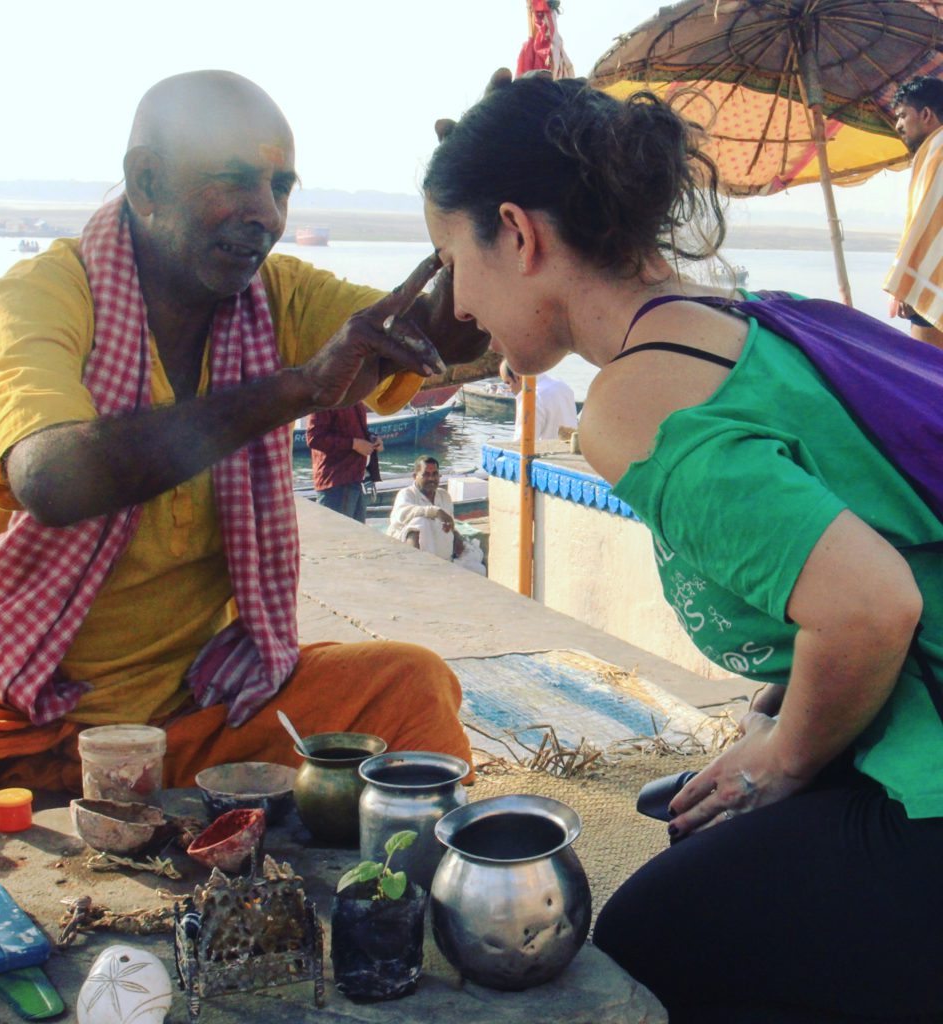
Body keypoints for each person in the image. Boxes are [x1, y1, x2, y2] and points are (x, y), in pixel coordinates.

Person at [423, 71, 943, 1022]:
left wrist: (782, 759)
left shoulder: (636, 402)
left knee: (646, 947)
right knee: (696, 840)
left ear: (519, 233)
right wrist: (789, 701)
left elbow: (873, 606)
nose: (455, 306)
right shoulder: (748, 320)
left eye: (451, 258)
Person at [0, 70, 488, 826]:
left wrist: (475, 209)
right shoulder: (39, 296)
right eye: (235, 181)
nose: (266, 215)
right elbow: (52, 478)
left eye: (281, 187)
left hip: (188, 711)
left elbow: (441, 335)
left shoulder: (276, 297)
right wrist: (293, 391)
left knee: (408, 688)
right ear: (145, 181)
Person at [885, 75, 943, 350]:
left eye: (902, 116)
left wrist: (909, 283)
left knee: (927, 378)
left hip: (935, 283)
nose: (898, 125)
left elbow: (924, 222)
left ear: (926, 114)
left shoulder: (935, 152)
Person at [387, 456, 485, 575]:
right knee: (420, 521)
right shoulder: (407, 494)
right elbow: (402, 514)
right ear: (415, 476)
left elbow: (450, 524)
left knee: (478, 569)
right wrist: (436, 511)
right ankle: (415, 568)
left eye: (434, 474)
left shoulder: (444, 496)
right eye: (426, 475)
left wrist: (456, 536)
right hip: (411, 558)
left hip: (444, 557)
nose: (431, 478)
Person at [306, 403, 383, 523]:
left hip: (356, 479)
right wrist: (354, 444)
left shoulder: (354, 396)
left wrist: (371, 438)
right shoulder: (328, 397)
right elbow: (314, 438)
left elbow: (352, 430)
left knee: (356, 538)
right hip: (336, 482)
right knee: (337, 536)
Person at [499, 357, 577, 441]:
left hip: (546, 452)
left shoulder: (531, 397)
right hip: (570, 450)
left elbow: (521, 442)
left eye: (508, 383)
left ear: (518, 377)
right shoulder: (563, 387)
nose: (509, 389)